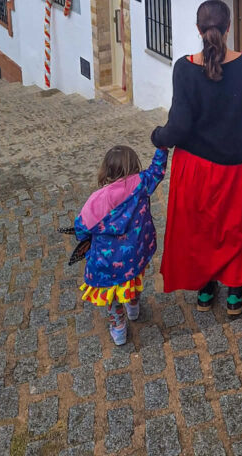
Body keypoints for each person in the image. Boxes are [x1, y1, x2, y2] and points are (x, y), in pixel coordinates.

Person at [151, 0, 242, 317]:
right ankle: (234, 291)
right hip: (233, 166)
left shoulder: (184, 69)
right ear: (228, 29)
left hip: (194, 167)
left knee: (200, 228)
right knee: (233, 227)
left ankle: (205, 288)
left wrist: (157, 137)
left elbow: (178, 126)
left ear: (198, 30)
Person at [74, 144, 168, 345]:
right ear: (134, 166)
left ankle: (118, 328)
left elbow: (81, 227)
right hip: (135, 254)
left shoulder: (97, 199)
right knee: (133, 279)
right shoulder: (141, 184)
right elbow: (157, 170)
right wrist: (162, 146)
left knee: (112, 295)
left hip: (107, 263)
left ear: (106, 170)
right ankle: (133, 306)